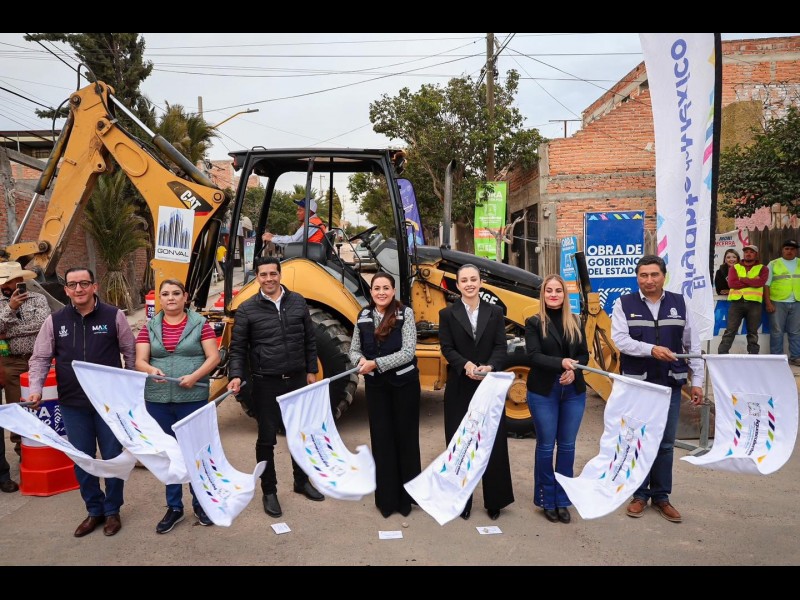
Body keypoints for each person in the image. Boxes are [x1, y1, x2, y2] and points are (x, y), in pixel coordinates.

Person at [27, 267, 136, 537]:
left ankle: (113, 511)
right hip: (73, 403)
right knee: (82, 459)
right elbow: (40, 358)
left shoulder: (114, 316)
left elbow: (130, 353)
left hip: (109, 404)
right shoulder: (55, 321)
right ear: (65, 290)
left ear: (94, 287)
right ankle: (94, 510)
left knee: (112, 457)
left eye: (84, 283)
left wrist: (130, 390)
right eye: (73, 285)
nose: (79, 289)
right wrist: (35, 389)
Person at [226, 256, 324, 518]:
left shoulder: (297, 302)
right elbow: (238, 349)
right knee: (266, 438)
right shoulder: (247, 309)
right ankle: (269, 490)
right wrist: (235, 375)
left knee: (299, 434)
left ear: (280, 275)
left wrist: (311, 370)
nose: (269, 279)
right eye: (263, 275)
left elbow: (309, 340)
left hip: (297, 379)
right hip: (265, 382)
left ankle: (301, 481)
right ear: (256, 278)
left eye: (273, 274)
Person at [611, 255, 704, 523]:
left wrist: (697, 381)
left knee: (665, 443)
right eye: (643, 275)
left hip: (669, 384)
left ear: (664, 276)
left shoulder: (680, 303)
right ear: (637, 278)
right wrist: (651, 349)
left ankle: (661, 496)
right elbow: (620, 340)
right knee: (638, 439)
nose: (649, 280)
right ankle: (639, 495)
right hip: (638, 385)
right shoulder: (624, 303)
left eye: (654, 275)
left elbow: (693, 345)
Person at [135, 279, 221, 534]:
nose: (170, 298)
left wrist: (195, 377)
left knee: (195, 452)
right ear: (160, 299)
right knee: (168, 454)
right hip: (158, 400)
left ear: (185, 297)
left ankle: (201, 502)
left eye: (175, 293)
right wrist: (151, 370)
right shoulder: (149, 326)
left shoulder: (200, 324)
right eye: (165, 294)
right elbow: (140, 360)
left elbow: (214, 357)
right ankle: (174, 507)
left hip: (192, 398)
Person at [438, 264, 513, 521]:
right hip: (460, 384)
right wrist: (466, 365)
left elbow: (501, 347)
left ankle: (495, 500)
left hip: (488, 385)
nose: (469, 284)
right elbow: (447, 348)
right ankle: (462, 499)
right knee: (460, 442)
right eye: (464, 280)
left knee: (493, 441)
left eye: (473, 279)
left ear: (480, 282)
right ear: (458, 285)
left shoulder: (495, 312)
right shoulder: (447, 314)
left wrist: (490, 367)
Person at [349, 271, 421, 518]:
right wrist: (359, 361)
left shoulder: (405, 313)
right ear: (371, 292)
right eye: (377, 288)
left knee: (405, 439)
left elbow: (408, 352)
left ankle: (406, 499)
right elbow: (354, 349)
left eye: (386, 288)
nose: (381, 292)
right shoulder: (363, 316)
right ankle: (387, 500)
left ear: (393, 291)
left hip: (404, 386)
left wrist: (376, 364)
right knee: (382, 440)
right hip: (377, 388)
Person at [524, 274, 589, 525]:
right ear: (543, 294)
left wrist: (574, 371)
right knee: (545, 446)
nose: (553, 294)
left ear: (565, 294)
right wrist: (561, 363)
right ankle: (546, 499)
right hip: (544, 391)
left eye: (558, 291)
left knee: (567, 447)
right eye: (549, 290)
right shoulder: (534, 322)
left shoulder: (575, 321)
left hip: (573, 392)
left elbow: (583, 355)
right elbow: (533, 356)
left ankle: (562, 500)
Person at [0, 261, 50, 461]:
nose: (5, 286)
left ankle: (48, 444)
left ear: (20, 280)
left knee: (44, 403)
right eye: (2, 282)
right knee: (17, 407)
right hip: (11, 363)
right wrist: (10, 308)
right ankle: (23, 451)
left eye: (9, 281)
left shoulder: (38, 299)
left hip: (39, 360)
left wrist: (8, 332)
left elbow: (42, 324)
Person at [717, 244, 767, 355]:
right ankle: (722, 354)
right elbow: (732, 284)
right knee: (730, 331)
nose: (748, 254)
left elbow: (760, 283)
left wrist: (742, 279)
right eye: (746, 252)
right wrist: (752, 280)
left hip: (754, 304)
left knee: (753, 332)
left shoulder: (763, 268)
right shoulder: (735, 267)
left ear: (756, 254)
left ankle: (753, 355)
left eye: (751, 252)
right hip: (736, 303)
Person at [764, 239, 800, 365]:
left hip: (797, 301)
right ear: (782, 250)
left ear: (796, 251)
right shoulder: (773, 264)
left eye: (792, 249)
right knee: (777, 331)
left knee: (795, 331)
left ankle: (795, 357)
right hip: (778, 302)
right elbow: (766, 285)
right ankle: (777, 358)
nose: (789, 251)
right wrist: (768, 303)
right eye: (787, 249)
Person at [261, 198, 327, 247]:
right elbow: (294, 238)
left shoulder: (312, 224)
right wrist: (274, 236)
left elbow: (293, 241)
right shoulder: (314, 222)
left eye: (300, 210)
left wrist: (272, 238)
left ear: (309, 212)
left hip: (307, 257)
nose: (297, 213)